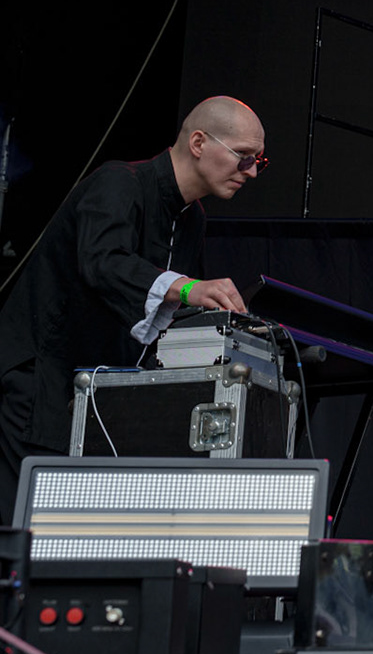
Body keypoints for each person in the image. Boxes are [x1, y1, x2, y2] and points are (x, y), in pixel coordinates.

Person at [0, 97, 265, 515]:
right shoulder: (118, 182)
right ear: (198, 143)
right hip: (42, 381)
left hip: (96, 392)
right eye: (244, 157)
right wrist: (188, 287)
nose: (250, 172)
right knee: (26, 524)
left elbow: (171, 312)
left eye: (258, 162)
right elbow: (103, 261)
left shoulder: (192, 218)